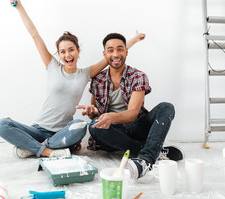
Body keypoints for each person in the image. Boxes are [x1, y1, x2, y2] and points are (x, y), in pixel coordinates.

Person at [0, 0, 145, 159]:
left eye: (71, 50)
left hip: (64, 132)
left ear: (78, 51)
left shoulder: (85, 74)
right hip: (39, 130)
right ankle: (46, 150)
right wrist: (19, 6)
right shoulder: (52, 67)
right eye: (63, 52)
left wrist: (134, 40)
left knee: (80, 126)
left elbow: (113, 56)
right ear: (59, 55)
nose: (67, 54)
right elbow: (35, 35)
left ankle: (33, 148)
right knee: (1, 125)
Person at [76, 33, 183, 179]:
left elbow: (132, 113)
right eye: (111, 50)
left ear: (126, 51)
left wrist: (111, 116)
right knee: (93, 126)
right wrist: (93, 112)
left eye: (120, 49)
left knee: (166, 107)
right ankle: (153, 151)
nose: (115, 54)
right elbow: (96, 114)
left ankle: (145, 160)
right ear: (105, 54)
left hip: (136, 126)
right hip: (113, 133)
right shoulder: (97, 80)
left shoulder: (138, 76)